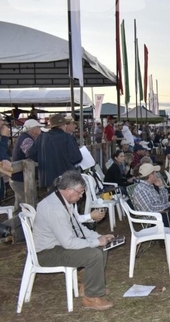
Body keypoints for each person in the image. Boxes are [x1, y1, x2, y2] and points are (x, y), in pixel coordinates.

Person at [33, 171, 113, 310]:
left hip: (58, 246)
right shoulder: (55, 209)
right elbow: (69, 242)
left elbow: (78, 228)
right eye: (80, 192)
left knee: (101, 248)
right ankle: (91, 298)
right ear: (69, 190)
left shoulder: (62, 201)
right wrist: (96, 242)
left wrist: (97, 237)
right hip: (47, 253)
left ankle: (88, 287)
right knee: (94, 255)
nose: (81, 196)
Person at [28, 114, 83, 192]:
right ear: (62, 125)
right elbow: (77, 158)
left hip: (48, 178)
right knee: (66, 201)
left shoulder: (42, 137)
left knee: (52, 200)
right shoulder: (67, 137)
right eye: (65, 124)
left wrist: (43, 160)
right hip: (65, 177)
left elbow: (31, 154)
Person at [131, 163, 170, 228]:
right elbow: (151, 210)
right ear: (150, 176)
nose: (156, 174)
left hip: (165, 212)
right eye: (155, 173)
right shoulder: (141, 190)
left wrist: (161, 187)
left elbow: (163, 201)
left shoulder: (149, 186)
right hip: (159, 219)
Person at [10, 119, 44, 208]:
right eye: (38, 128)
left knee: (20, 203)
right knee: (26, 203)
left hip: (18, 177)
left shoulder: (25, 137)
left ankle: (18, 221)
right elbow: (31, 153)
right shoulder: (27, 140)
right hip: (21, 178)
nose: (40, 130)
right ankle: (26, 221)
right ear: (33, 129)